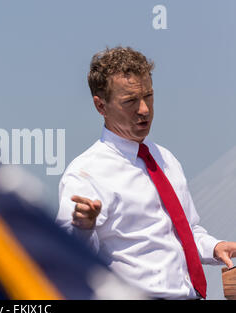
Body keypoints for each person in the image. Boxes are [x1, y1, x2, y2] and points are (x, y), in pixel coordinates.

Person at [56, 46, 236, 299]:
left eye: (148, 96)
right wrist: (83, 227)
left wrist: (214, 247)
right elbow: (64, 256)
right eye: (130, 101)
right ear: (101, 106)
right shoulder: (86, 173)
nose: (144, 109)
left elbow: (184, 233)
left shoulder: (166, 159)